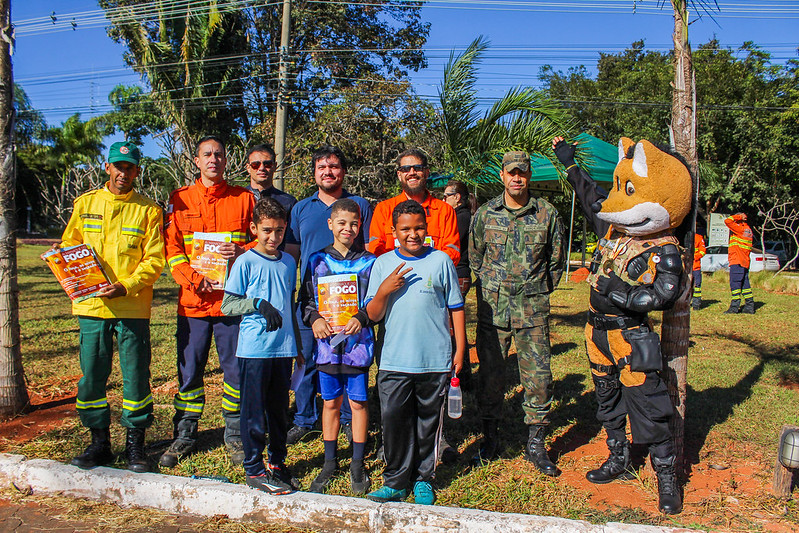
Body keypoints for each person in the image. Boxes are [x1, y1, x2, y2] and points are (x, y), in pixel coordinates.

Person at [553, 136, 690, 514]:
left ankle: (667, 477)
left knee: (649, 404)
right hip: (595, 333)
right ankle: (619, 456)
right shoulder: (612, 232)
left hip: (630, 336)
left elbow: (665, 291)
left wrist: (623, 297)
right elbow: (591, 198)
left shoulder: (662, 246)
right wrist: (570, 164)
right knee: (606, 398)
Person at [59, 141, 165, 473]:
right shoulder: (86, 203)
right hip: (91, 307)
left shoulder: (148, 210)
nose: (123, 172)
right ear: (108, 167)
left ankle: (135, 445)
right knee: (92, 377)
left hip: (131, 307)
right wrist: (65, 260)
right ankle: (99, 443)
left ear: (137, 170)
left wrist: (125, 286)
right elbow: (69, 243)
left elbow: (155, 260)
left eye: (130, 167)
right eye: (118, 166)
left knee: (135, 379)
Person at [161, 135, 256, 467]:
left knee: (235, 372)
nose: (213, 159)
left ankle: (234, 434)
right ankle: (185, 433)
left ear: (226, 161)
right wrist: (194, 279)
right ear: (197, 161)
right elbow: (172, 252)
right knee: (190, 371)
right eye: (207, 154)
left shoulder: (245, 199)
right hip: (194, 303)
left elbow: (261, 242)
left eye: (219, 154)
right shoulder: (180, 199)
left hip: (231, 302)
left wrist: (242, 251)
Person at [469, 151, 565, 476]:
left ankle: (536, 443)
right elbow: (475, 257)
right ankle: (490, 437)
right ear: (502, 175)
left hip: (532, 309)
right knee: (491, 376)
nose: (517, 178)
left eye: (522, 173)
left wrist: (534, 290)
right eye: (511, 172)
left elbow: (556, 263)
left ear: (529, 176)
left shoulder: (548, 214)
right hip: (493, 310)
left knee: (538, 378)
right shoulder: (485, 214)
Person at [364, 200, 466, 505]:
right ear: (393, 231)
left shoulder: (440, 261)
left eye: (419, 227)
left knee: (428, 423)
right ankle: (395, 480)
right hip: (394, 360)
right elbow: (373, 313)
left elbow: (456, 307)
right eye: (405, 229)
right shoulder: (382, 264)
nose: (413, 234)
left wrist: (460, 348)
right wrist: (385, 289)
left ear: (427, 228)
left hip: (434, 360)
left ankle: (424, 478)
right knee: (394, 421)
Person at [286, 146, 373, 445]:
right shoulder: (301, 208)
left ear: (343, 171)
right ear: (314, 172)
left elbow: (371, 247)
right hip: (313, 300)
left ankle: (349, 419)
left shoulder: (359, 204)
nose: (328, 172)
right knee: (308, 359)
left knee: (349, 358)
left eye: (334, 166)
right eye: (322, 167)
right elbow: (292, 253)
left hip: (352, 301)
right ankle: (305, 418)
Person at [221, 197, 303, 494]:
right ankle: (254, 468)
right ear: (254, 228)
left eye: (279, 231)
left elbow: (289, 303)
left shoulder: (288, 261)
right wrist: (255, 303)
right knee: (253, 412)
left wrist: (299, 347)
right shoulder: (245, 261)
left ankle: (278, 463)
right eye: (267, 230)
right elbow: (227, 305)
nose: (273, 237)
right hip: (255, 349)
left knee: (279, 412)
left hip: (284, 349)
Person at [299, 199, 376, 495]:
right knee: (330, 403)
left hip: (357, 348)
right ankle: (330, 461)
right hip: (327, 349)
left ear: (360, 226)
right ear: (330, 224)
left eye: (354, 223)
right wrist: (315, 318)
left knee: (358, 404)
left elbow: (374, 304)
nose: (348, 228)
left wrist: (363, 317)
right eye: (341, 223)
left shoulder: (369, 262)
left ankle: (357, 462)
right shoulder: (317, 261)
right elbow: (305, 300)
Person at [369, 149, 460, 265]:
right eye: (405, 169)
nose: (412, 172)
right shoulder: (383, 209)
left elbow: (452, 251)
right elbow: (375, 249)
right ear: (399, 175)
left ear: (427, 172)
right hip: (395, 278)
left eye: (417, 168)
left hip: (433, 278)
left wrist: (425, 269)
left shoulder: (445, 210)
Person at [244, 143, 297, 253]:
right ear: (248, 168)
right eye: (255, 165)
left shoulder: (289, 202)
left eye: (267, 164)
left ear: (275, 166)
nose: (262, 168)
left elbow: (291, 243)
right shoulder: (238, 198)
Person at [724, 213, 755, 314]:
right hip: (744, 261)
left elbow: (728, 221)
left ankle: (734, 307)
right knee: (745, 285)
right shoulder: (748, 230)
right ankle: (749, 307)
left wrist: (738, 216)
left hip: (737, 260)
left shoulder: (740, 229)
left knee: (735, 284)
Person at [692, 232, 706, 310]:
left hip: (695, 267)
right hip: (686, 267)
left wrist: (694, 257)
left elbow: (702, 251)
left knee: (697, 286)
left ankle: (696, 305)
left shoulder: (698, 237)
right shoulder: (684, 236)